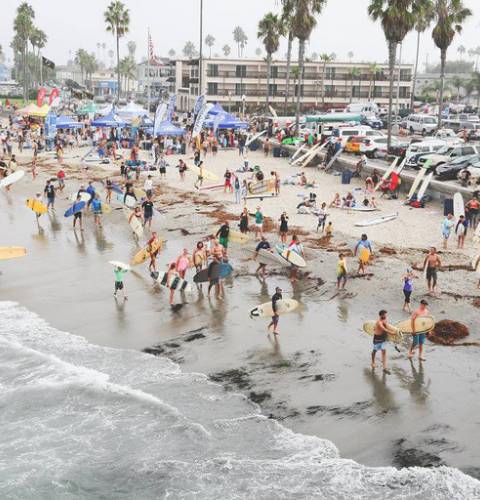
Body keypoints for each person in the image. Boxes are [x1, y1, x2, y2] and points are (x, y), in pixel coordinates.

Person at [371, 310, 391, 374]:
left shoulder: (385, 319)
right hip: (377, 338)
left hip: (383, 337)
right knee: (375, 350)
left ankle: (384, 367)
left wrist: (389, 337)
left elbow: (387, 326)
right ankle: (373, 362)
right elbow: (384, 329)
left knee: (384, 350)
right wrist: (392, 333)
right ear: (381, 315)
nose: (385, 316)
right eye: (384, 315)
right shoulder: (379, 322)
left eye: (386, 315)